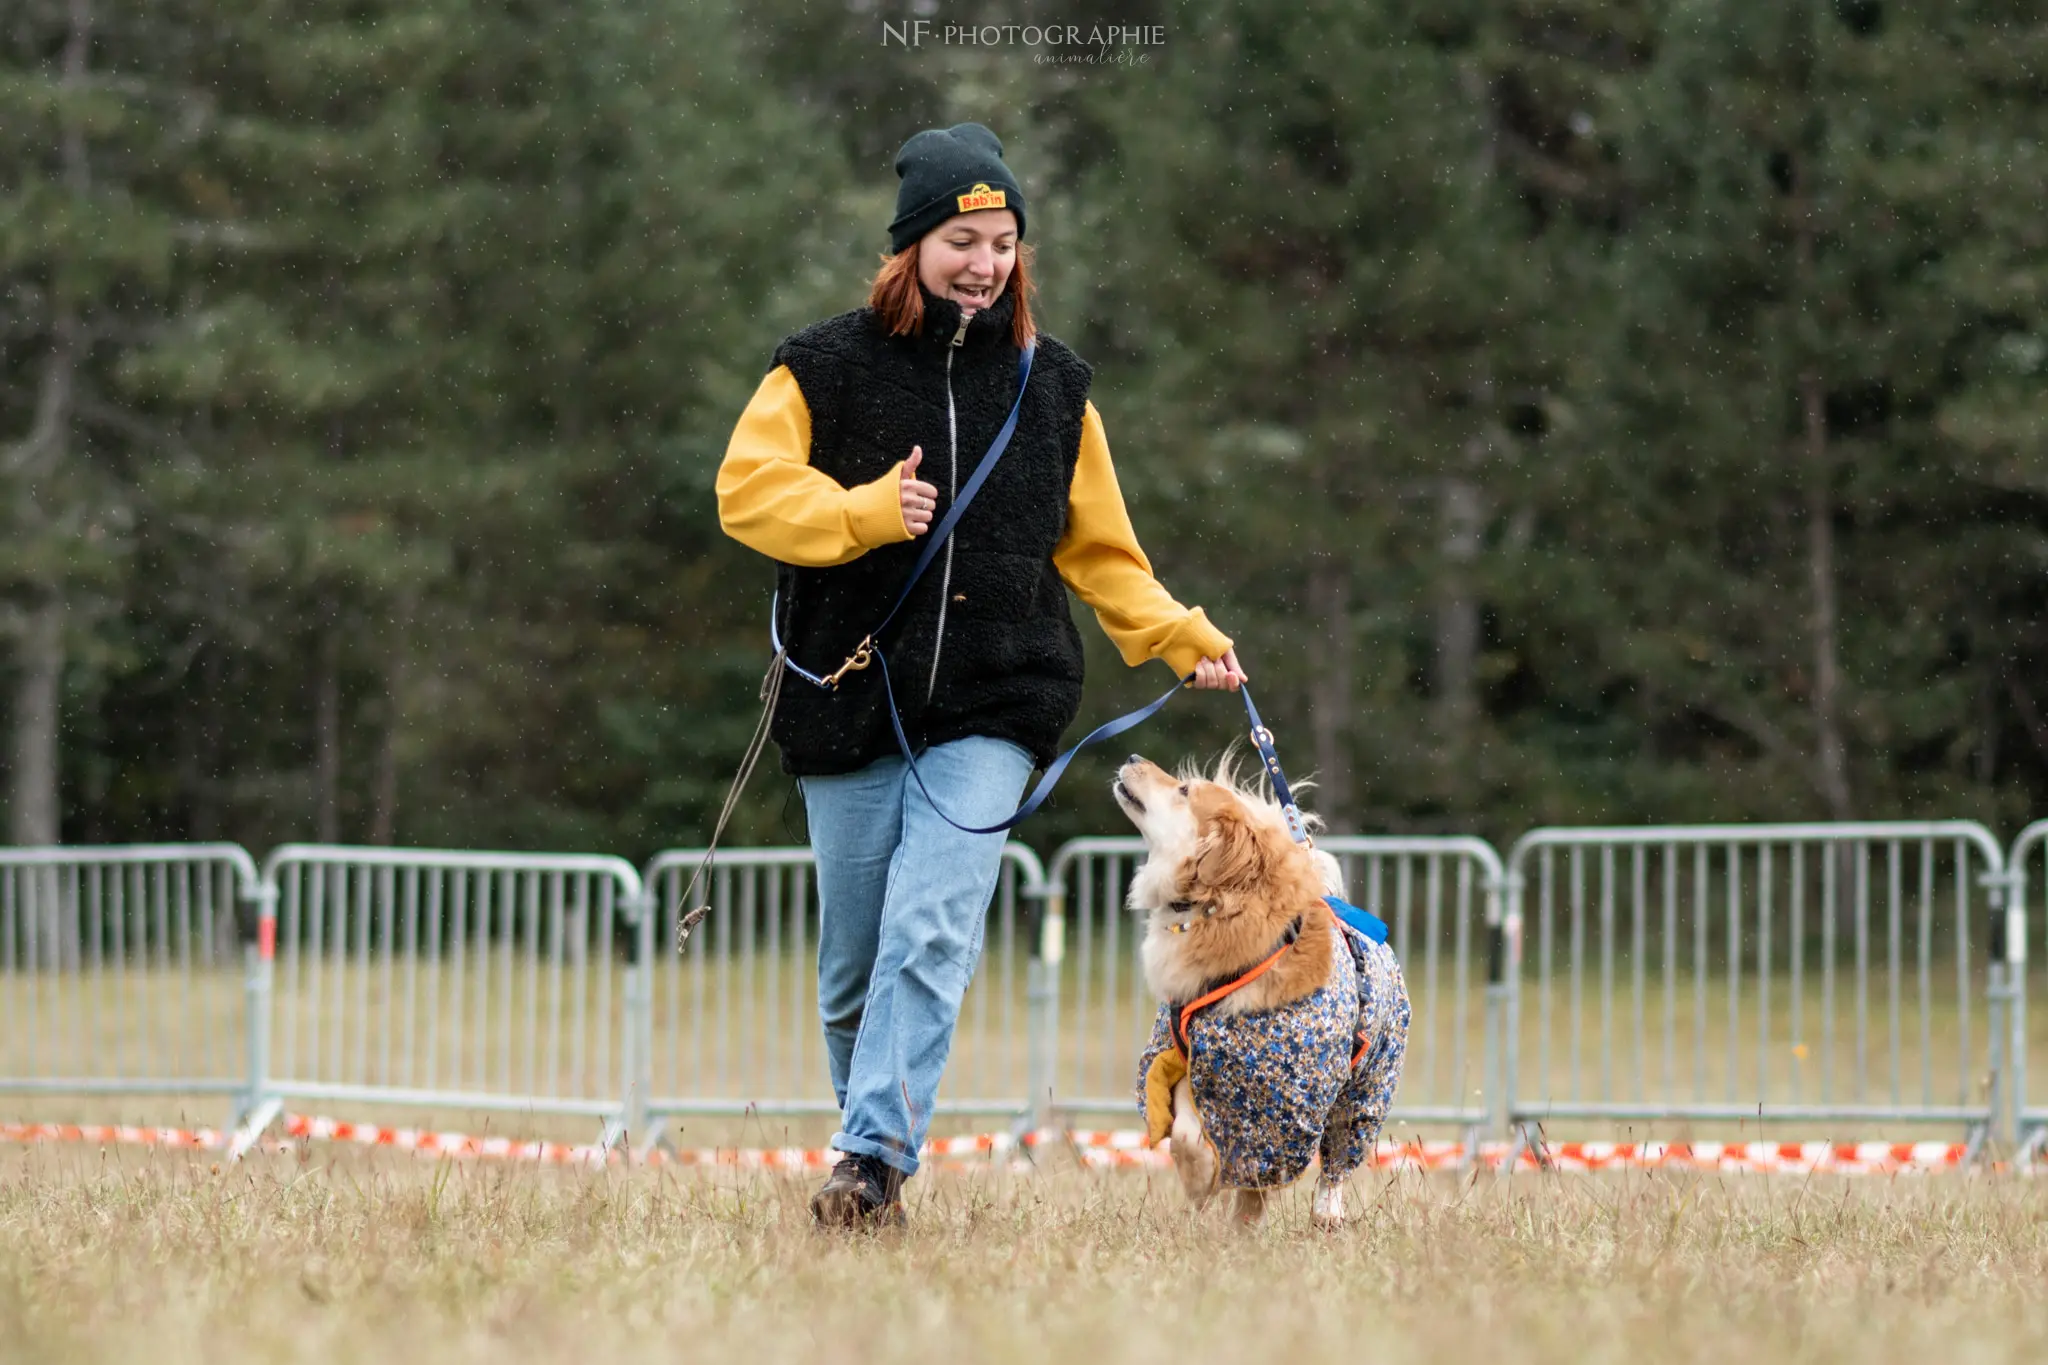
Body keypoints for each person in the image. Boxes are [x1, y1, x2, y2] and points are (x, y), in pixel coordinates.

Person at [715, 122, 1245, 1229]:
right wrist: (859, 513)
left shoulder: (1052, 388)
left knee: (930, 931)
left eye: (1002, 241)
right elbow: (745, 493)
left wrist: (1176, 633)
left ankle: (866, 1164)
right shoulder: (818, 367)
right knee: (855, 967)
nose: (984, 263)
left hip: (995, 706)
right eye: (962, 238)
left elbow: (1099, 553)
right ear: (911, 247)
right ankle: (872, 1170)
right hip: (848, 695)